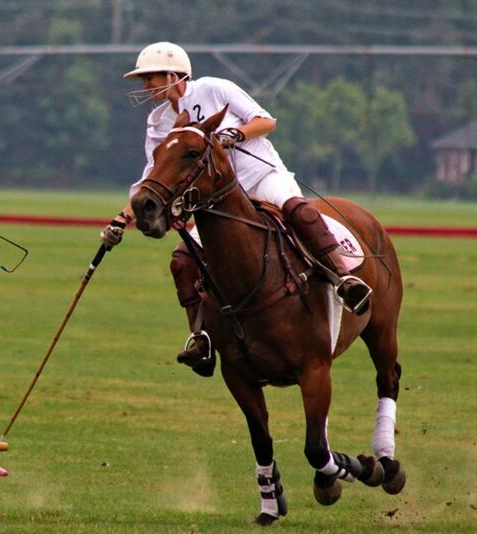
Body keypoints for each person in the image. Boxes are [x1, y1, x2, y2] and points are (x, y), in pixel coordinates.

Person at [101, 42, 372, 372]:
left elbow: (265, 121)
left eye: (150, 78)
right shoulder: (159, 123)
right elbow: (153, 176)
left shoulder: (214, 88)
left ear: (173, 75)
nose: (145, 86)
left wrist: (236, 135)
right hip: (218, 199)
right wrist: (123, 217)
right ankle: (201, 337)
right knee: (183, 261)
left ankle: (344, 280)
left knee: (298, 211)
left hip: (260, 177)